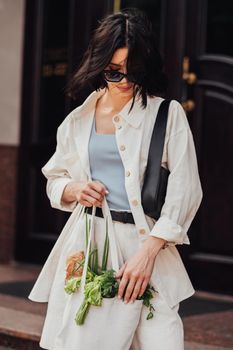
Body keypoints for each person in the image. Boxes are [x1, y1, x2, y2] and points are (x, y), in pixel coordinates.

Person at [28, 8, 203, 350]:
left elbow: (186, 190)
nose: (124, 81)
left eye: (133, 71)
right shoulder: (78, 120)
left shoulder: (166, 115)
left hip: (147, 246)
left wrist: (148, 252)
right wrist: (73, 188)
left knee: (162, 340)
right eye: (113, 72)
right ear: (99, 66)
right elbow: (54, 178)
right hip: (88, 246)